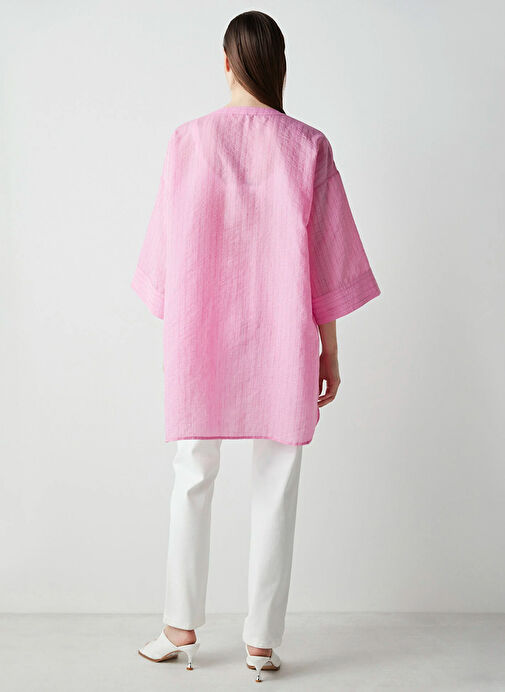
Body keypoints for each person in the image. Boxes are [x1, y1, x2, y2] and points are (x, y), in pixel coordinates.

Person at [132, 10, 380, 683]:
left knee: (192, 473)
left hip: (201, 334)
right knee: (277, 483)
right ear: (278, 66)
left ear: (225, 62)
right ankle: (261, 643)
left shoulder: (187, 141)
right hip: (282, 337)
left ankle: (179, 627)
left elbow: (164, 264)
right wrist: (330, 352)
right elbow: (326, 266)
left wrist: (184, 315)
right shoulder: (308, 146)